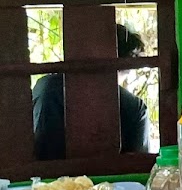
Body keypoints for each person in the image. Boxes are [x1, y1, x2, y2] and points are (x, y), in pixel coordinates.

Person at [32, 24, 150, 160]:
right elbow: (139, 165)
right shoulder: (134, 107)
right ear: (127, 66)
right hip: (110, 180)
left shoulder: (46, 85)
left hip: (40, 179)